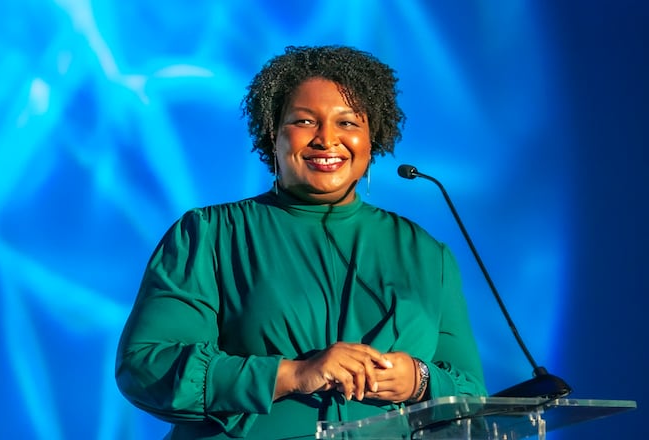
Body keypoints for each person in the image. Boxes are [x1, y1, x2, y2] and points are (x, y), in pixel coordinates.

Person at [115, 45, 487, 439]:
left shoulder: (427, 255)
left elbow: (473, 396)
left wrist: (421, 380)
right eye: (305, 121)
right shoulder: (209, 234)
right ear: (271, 132)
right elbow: (145, 366)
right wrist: (293, 374)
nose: (327, 139)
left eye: (347, 123)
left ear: (372, 136)